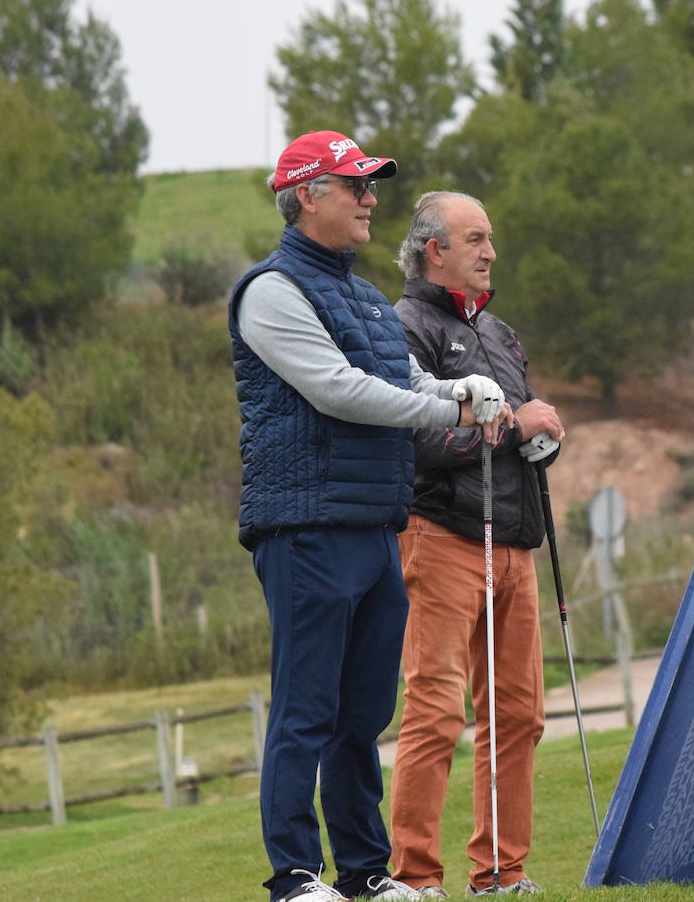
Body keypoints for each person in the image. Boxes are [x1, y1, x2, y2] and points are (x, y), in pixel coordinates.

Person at [229, 133, 510, 902]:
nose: (370, 199)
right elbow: (339, 390)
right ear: (308, 195)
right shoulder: (272, 290)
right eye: (354, 186)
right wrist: (445, 403)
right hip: (306, 525)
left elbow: (404, 370)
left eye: (372, 186)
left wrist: (465, 388)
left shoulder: (360, 296)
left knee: (363, 712)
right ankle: (293, 874)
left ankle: (362, 873)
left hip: (373, 525)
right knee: (306, 705)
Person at [387, 192, 564, 897]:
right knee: (435, 707)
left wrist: (538, 434)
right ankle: (416, 877)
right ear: (437, 250)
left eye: (491, 238)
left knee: (518, 715)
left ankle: (500, 874)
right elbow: (419, 439)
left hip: (516, 543)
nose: (491, 251)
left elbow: (514, 430)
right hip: (443, 538)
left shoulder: (502, 334)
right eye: (477, 239)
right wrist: (514, 427)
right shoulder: (405, 326)